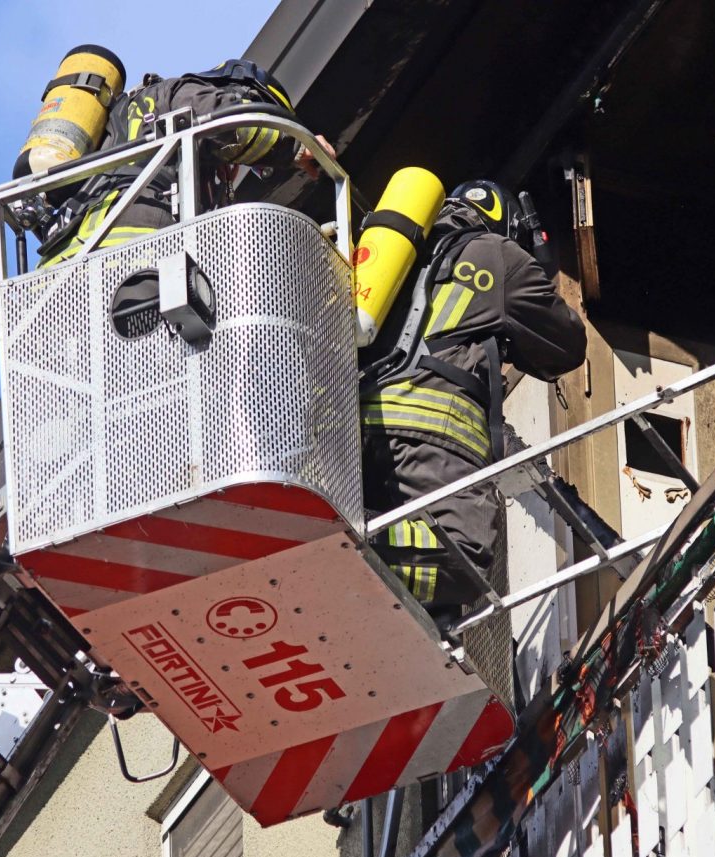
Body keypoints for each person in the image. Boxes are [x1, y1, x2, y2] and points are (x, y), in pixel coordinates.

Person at [360, 180, 587, 623]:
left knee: (411, 555)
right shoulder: (496, 253)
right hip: (433, 436)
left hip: (356, 428)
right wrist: (541, 269)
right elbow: (565, 347)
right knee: (460, 561)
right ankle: (344, 549)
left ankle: (352, 551)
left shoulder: (399, 252)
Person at [35, 58, 333, 268]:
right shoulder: (178, 94)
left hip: (60, 273)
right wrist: (294, 145)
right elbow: (230, 121)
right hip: (131, 259)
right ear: (242, 93)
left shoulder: (125, 120)